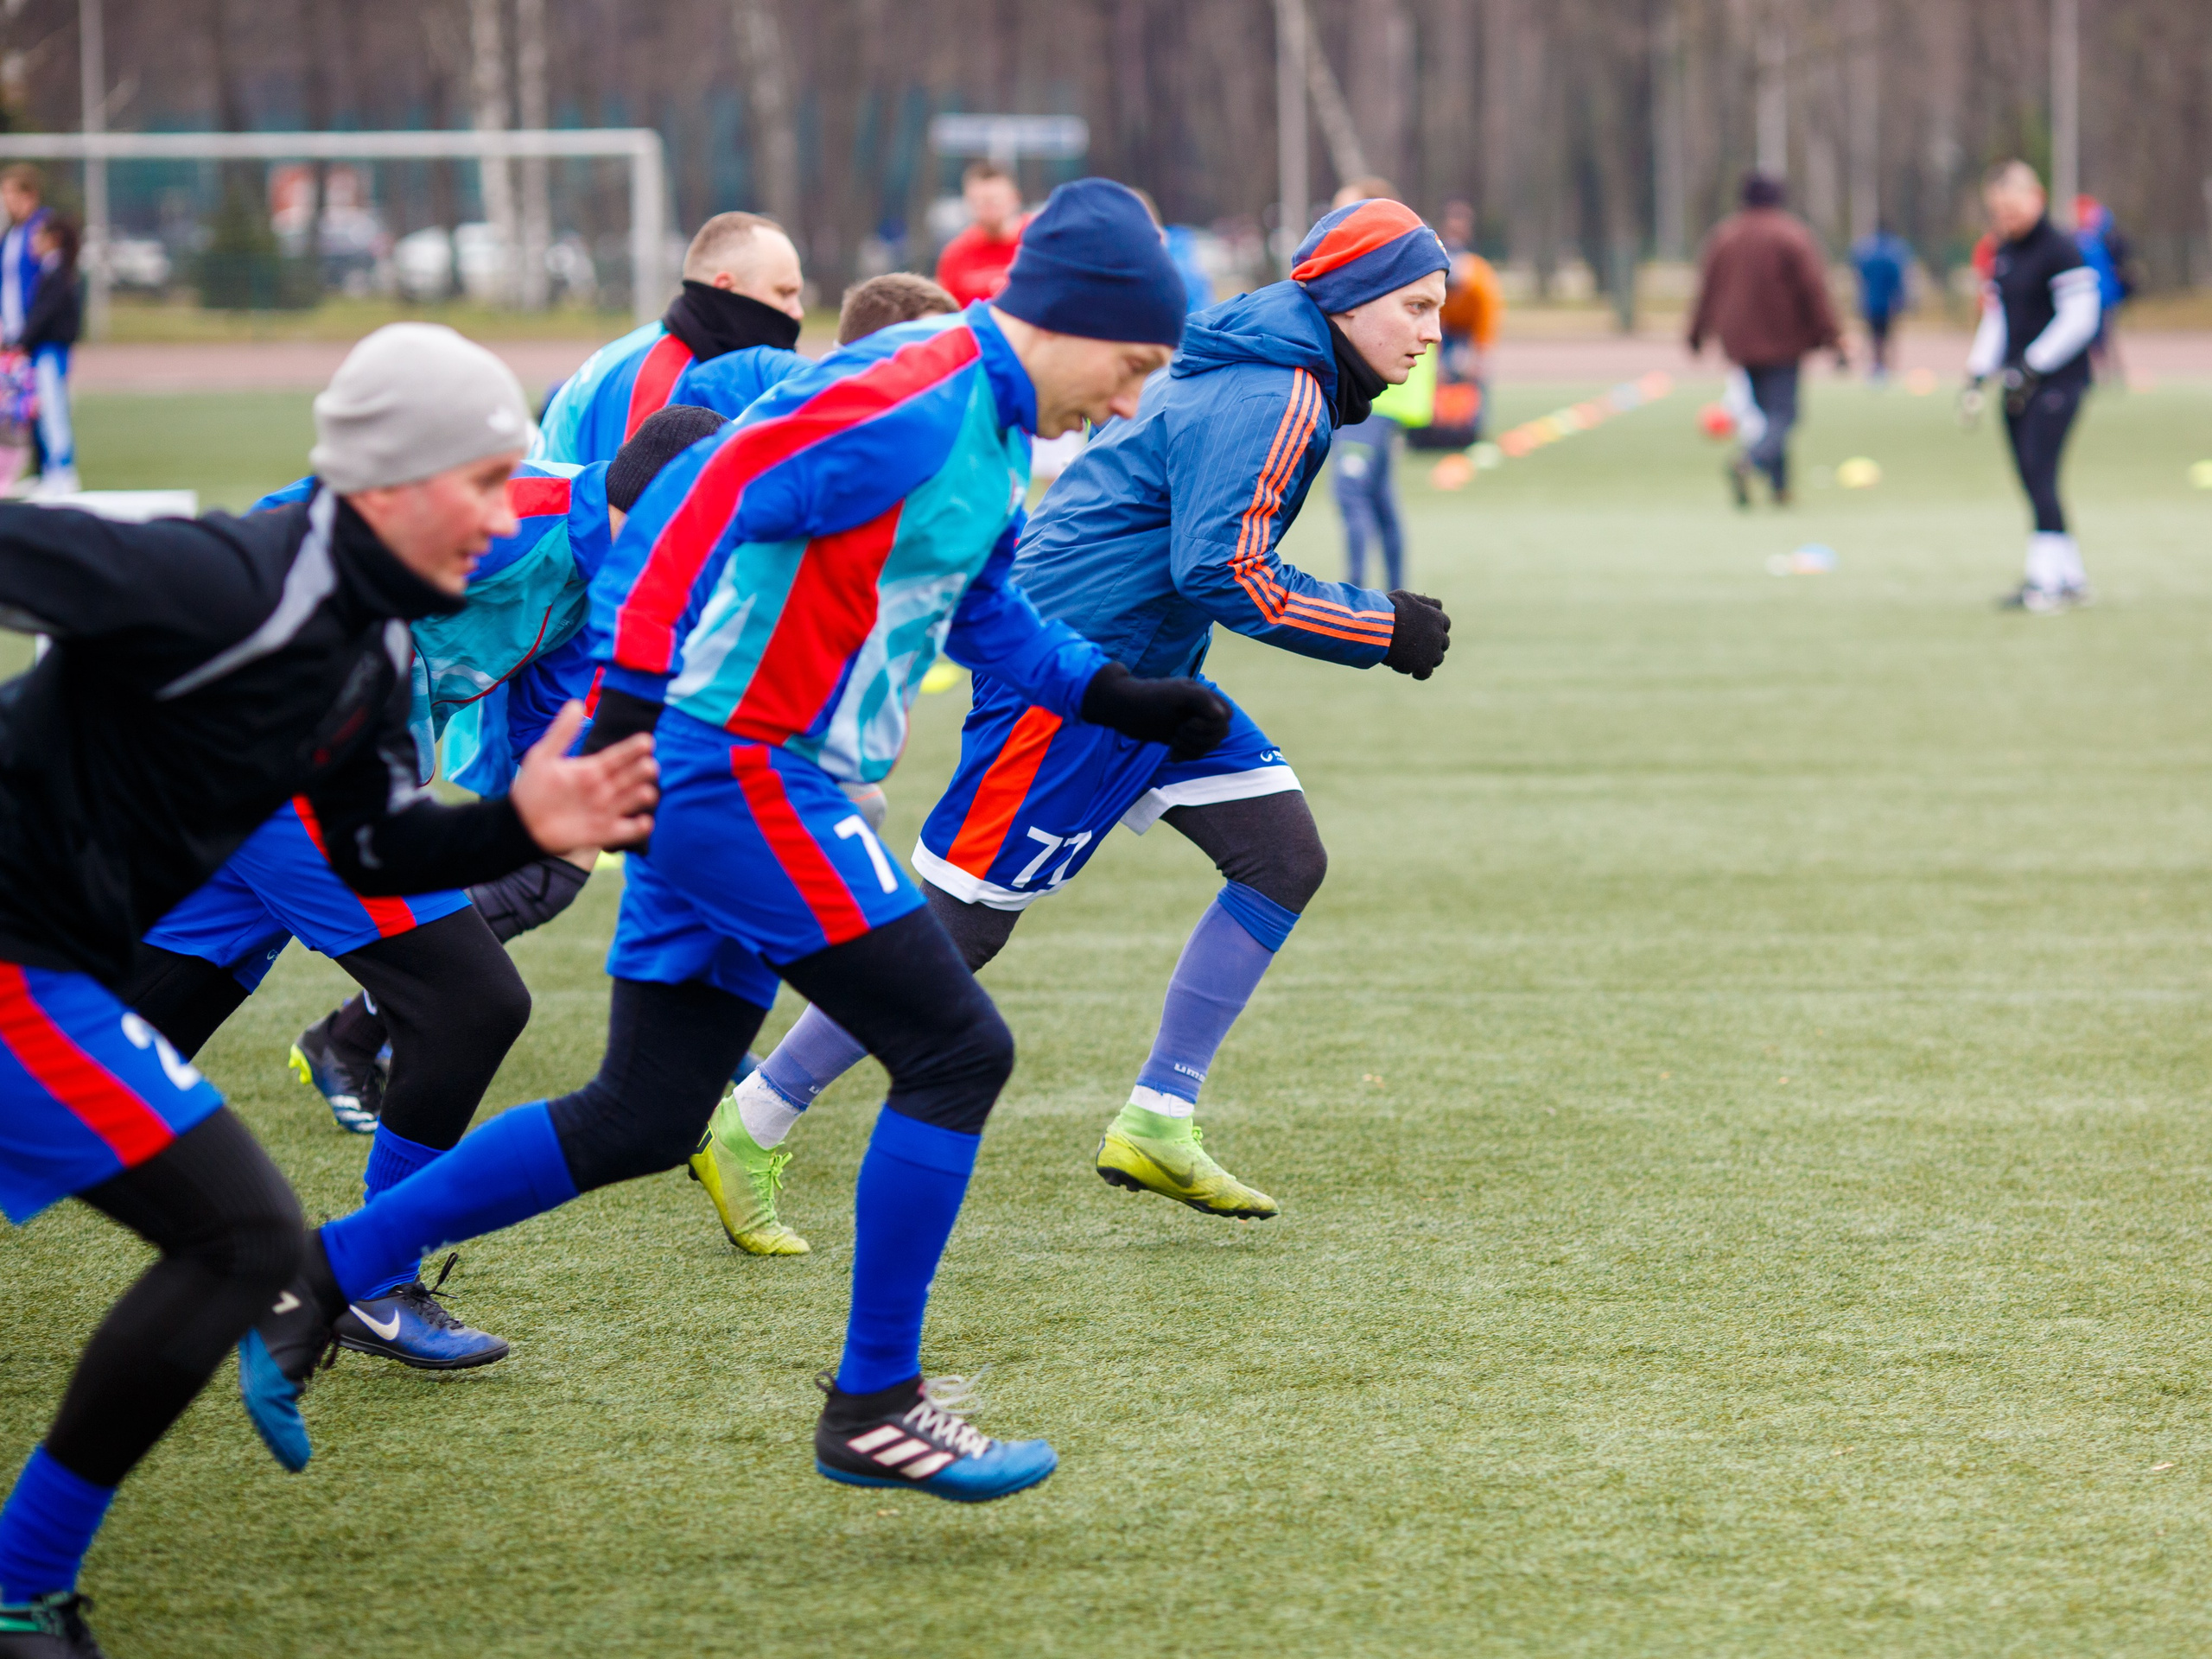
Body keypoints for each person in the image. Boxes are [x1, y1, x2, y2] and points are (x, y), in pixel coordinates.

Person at [243, 179, 1232, 1507]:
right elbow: (700, 501)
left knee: (645, 1114)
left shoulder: (994, 424)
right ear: (1065, 319)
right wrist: (627, 712)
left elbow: (981, 604)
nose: (1128, 402)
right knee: (957, 1051)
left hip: (738, 770)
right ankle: (876, 1404)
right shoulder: (914, 395)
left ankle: (323, 1270)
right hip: (739, 771)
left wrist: (1111, 694)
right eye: (1132, 366)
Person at [0, 321, 657, 1656]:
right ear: (393, 481)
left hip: (60, 959)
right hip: (18, 955)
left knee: (237, 1229)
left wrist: (524, 823)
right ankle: (22, 1593)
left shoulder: (374, 655)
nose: (508, 514)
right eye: (486, 482)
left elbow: (374, 846)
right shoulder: (225, 578)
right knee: (245, 1237)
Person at [700, 197, 1452, 1249]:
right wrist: (1381, 627)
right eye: (1415, 305)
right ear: (1347, 300)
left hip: (1150, 669)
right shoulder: (1280, 388)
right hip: (1074, 671)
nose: (1430, 332)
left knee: (1281, 855)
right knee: (964, 922)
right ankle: (753, 1119)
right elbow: (1224, 569)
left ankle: (1157, 1118)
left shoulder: (1279, 365)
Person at [122, 408, 728, 1373]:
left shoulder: (603, 590)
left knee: (107, 1051)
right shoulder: (514, 512)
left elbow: (552, 740)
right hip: (290, 765)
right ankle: (372, 1279)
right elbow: (291, 525)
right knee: (470, 1002)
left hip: (284, 784)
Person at [531, 213, 805, 465]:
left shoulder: (685, 354)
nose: (798, 311)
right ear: (726, 288)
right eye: (784, 293)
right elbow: (628, 497)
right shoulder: (657, 378)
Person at [1963, 160, 2101, 613]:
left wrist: (2034, 364)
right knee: (2031, 476)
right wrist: (1978, 372)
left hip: (2059, 382)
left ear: (2036, 198)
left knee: (2041, 472)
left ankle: (2044, 581)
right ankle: (2070, 577)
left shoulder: (2061, 249)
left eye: (2013, 208)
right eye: (1998, 211)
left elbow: (2080, 318)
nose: (2006, 218)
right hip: (2017, 383)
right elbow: (1998, 317)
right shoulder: (2004, 251)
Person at [1687, 172, 1845, 508]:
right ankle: (1751, 461)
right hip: (1783, 339)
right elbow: (1814, 291)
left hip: (1739, 341)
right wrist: (1833, 338)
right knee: (1783, 415)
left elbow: (1707, 290)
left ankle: (1780, 488)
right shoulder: (1791, 235)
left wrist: (1697, 333)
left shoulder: (1725, 236)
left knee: (1766, 413)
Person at [0, 167, 74, 499]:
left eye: (12, 194)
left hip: (38, 336)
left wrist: (28, 332)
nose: (7, 201)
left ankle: (61, 470)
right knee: (26, 405)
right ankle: (43, 471)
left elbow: (48, 293)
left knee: (49, 403)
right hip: (17, 336)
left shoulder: (42, 228)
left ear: (29, 195)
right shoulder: (11, 234)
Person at [932, 162, 1027, 307]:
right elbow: (946, 311)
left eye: (994, 200)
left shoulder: (1040, 243)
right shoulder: (956, 254)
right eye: (980, 202)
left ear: (1015, 198)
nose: (988, 209)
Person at [1849, 219, 1912, 382]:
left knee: (1873, 336)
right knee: (1887, 335)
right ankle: (1885, 368)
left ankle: (1875, 366)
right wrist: (1902, 300)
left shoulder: (1865, 249)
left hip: (1869, 301)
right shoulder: (1895, 250)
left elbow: (1858, 272)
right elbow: (1898, 278)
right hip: (1888, 303)